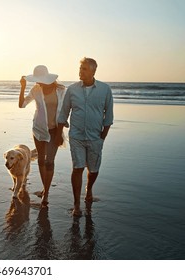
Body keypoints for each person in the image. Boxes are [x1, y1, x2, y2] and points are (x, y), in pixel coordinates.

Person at [55, 57, 114, 216]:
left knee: (93, 170)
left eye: (84, 69)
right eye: (80, 68)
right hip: (76, 137)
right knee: (77, 167)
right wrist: (59, 134)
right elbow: (63, 113)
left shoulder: (105, 90)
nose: (80, 71)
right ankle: (76, 204)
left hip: (95, 137)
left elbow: (108, 117)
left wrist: (102, 138)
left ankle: (89, 190)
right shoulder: (72, 89)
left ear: (93, 71)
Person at [19, 65, 66, 208]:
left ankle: (46, 193)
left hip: (55, 131)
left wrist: (60, 133)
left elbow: (65, 112)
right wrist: (23, 87)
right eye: (36, 80)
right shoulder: (36, 90)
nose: (37, 82)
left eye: (39, 80)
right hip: (39, 130)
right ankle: (45, 190)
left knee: (49, 162)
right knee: (40, 160)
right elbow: (22, 105)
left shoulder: (61, 91)